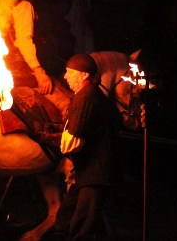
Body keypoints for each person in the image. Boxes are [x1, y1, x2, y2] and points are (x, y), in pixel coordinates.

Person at [55, 53, 122, 241]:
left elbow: (73, 141)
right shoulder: (88, 95)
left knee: (82, 228)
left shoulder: (86, 96)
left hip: (95, 175)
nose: (65, 76)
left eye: (70, 72)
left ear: (85, 75)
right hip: (85, 175)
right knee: (64, 221)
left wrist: (54, 141)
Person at [3, 0, 52, 94]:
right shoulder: (24, 5)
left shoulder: (0, 4)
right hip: (22, 69)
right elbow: (23, 40)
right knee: (65, 102)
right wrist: (38, 71)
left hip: (2, 66)